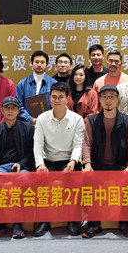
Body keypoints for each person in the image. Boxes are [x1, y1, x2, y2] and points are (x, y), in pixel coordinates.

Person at [81, 85, 128, 238]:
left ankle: (124, 223)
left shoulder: (127, 121)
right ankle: (94, 223)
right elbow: (86, 144)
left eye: (111, 97)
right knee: (88, 183)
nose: (108, 100)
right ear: (100, 99)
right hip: (98, 166)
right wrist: (87, 164)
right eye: (105, 97)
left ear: (117, 99)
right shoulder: (92, 121)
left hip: (120, 166)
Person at [32, 82, 85, 237]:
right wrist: (40, 164)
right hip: (48, 161)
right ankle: (44, 221)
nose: (57, 100)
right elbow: (38, 144)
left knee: (74, 184)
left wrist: (73, 161)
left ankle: (72, 220)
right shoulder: (42, 118)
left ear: (67, 98)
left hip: (69, 160)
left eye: (61, 97)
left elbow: (78, 145)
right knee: (41, 184)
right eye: (54, 97)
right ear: (49, 98)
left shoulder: (77, 119)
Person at [0, 96, 35, 240]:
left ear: (19, 111)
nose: (10, 111)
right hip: (2, 167)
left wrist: (22, 164)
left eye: (13, 108)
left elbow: (33, 152)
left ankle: (18, 224)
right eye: (7, 108)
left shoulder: (27, 128)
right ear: (2, 110)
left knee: (22, 182)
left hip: (22, 166)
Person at [15, 50, 57, 124]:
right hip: (26, 124)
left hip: (48, 124)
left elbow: (56, 105)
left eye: (42, 62)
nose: (39, 65)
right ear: (31, 63)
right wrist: (30, 119)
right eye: (36, 62)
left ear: (47, 64)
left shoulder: (54, 84)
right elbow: (19, 105)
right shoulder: (22, 84)